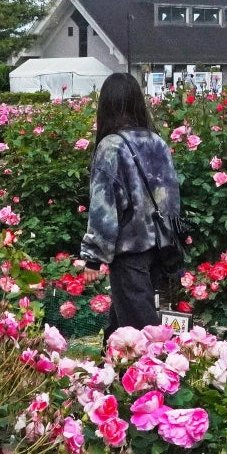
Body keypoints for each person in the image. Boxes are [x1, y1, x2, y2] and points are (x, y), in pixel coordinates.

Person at [81, 72, 183, 337]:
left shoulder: (111, 146)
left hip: (129, 250)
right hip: (160, 247)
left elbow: (104, 207)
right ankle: (112, 372)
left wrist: (93, 257)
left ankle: (154, 373)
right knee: (122, 326)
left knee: (140, 336)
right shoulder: (156, 141)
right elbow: (170, 197)